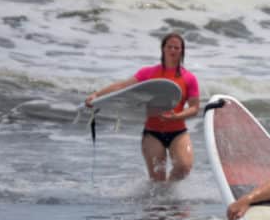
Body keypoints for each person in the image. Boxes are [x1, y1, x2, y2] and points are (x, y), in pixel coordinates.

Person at [85, 33, 200, 181]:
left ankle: (169, 195)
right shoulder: (149, 73)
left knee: (184, 167)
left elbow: (194, 108)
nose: (173, 50)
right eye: (169, 46)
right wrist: (96, 94)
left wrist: (176, 116)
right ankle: (160, 200)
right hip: (153, 133)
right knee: (157, 179)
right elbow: (122, 86)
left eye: (177, 47)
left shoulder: (189, 78)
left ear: (182, 51)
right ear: (163, 49)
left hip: (178, 132)